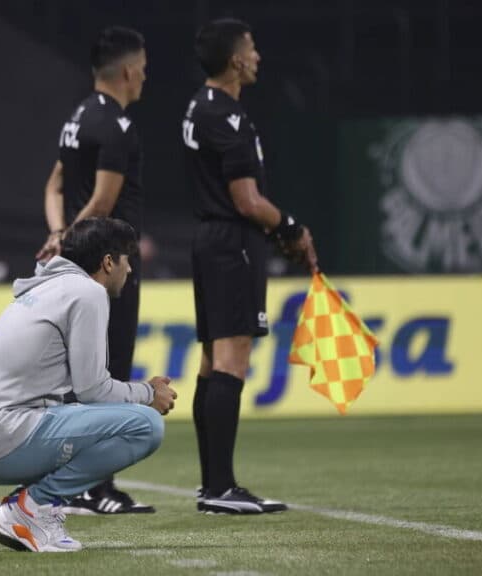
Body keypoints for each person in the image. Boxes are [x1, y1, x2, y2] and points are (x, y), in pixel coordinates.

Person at [0, 217, 177, 552]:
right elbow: (94, 390)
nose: (130, 269)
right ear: (108, 262)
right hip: (2, 440)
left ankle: (26, 509)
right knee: (145, 425)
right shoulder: (87, 292)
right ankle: (31, 507)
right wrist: (148, 393)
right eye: (126, 259)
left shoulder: (48, 286)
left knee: (75, 412)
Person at [183, 19, 318, 514]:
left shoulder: (199, 105)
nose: (258, 56)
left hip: (210, 240)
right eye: (252, 49)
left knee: (211, 362)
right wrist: (291, 228)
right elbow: (247, 200)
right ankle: (221, 488)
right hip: (232, 244)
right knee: (230, 361)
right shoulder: (228, 117)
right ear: (236, 60)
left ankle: (212, 486)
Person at [35, 26, 153, 515]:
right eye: (142, 69)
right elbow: (104, 202)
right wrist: (69, 238)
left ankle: (72, 484)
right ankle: (97, 489)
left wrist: (57, 234)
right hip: (108, 265)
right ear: (126, 71)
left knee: (77, 376)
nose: (144, 78)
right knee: (108, 373)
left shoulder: (78, 117)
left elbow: (54, 186)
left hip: (76, 265)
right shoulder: (117, 126)